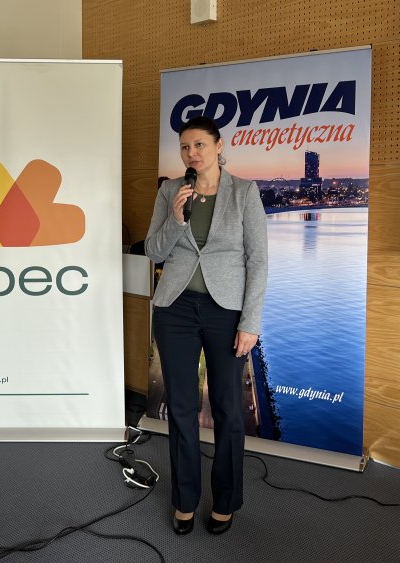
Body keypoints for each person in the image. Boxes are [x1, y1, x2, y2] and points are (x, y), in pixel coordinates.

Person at [144, 116, 268, 535]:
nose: (191, 153)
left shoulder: (244, 192)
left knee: (229, 409)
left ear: (218, 146)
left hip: (224, 312)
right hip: (175, 310)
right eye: (185, 147)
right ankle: (184, 500)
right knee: (181, 409)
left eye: (199, 144)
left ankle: (226, 500)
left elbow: (258, 261)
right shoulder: (169, 191)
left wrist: (250, 322)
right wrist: (176, 218)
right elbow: (153, 251)